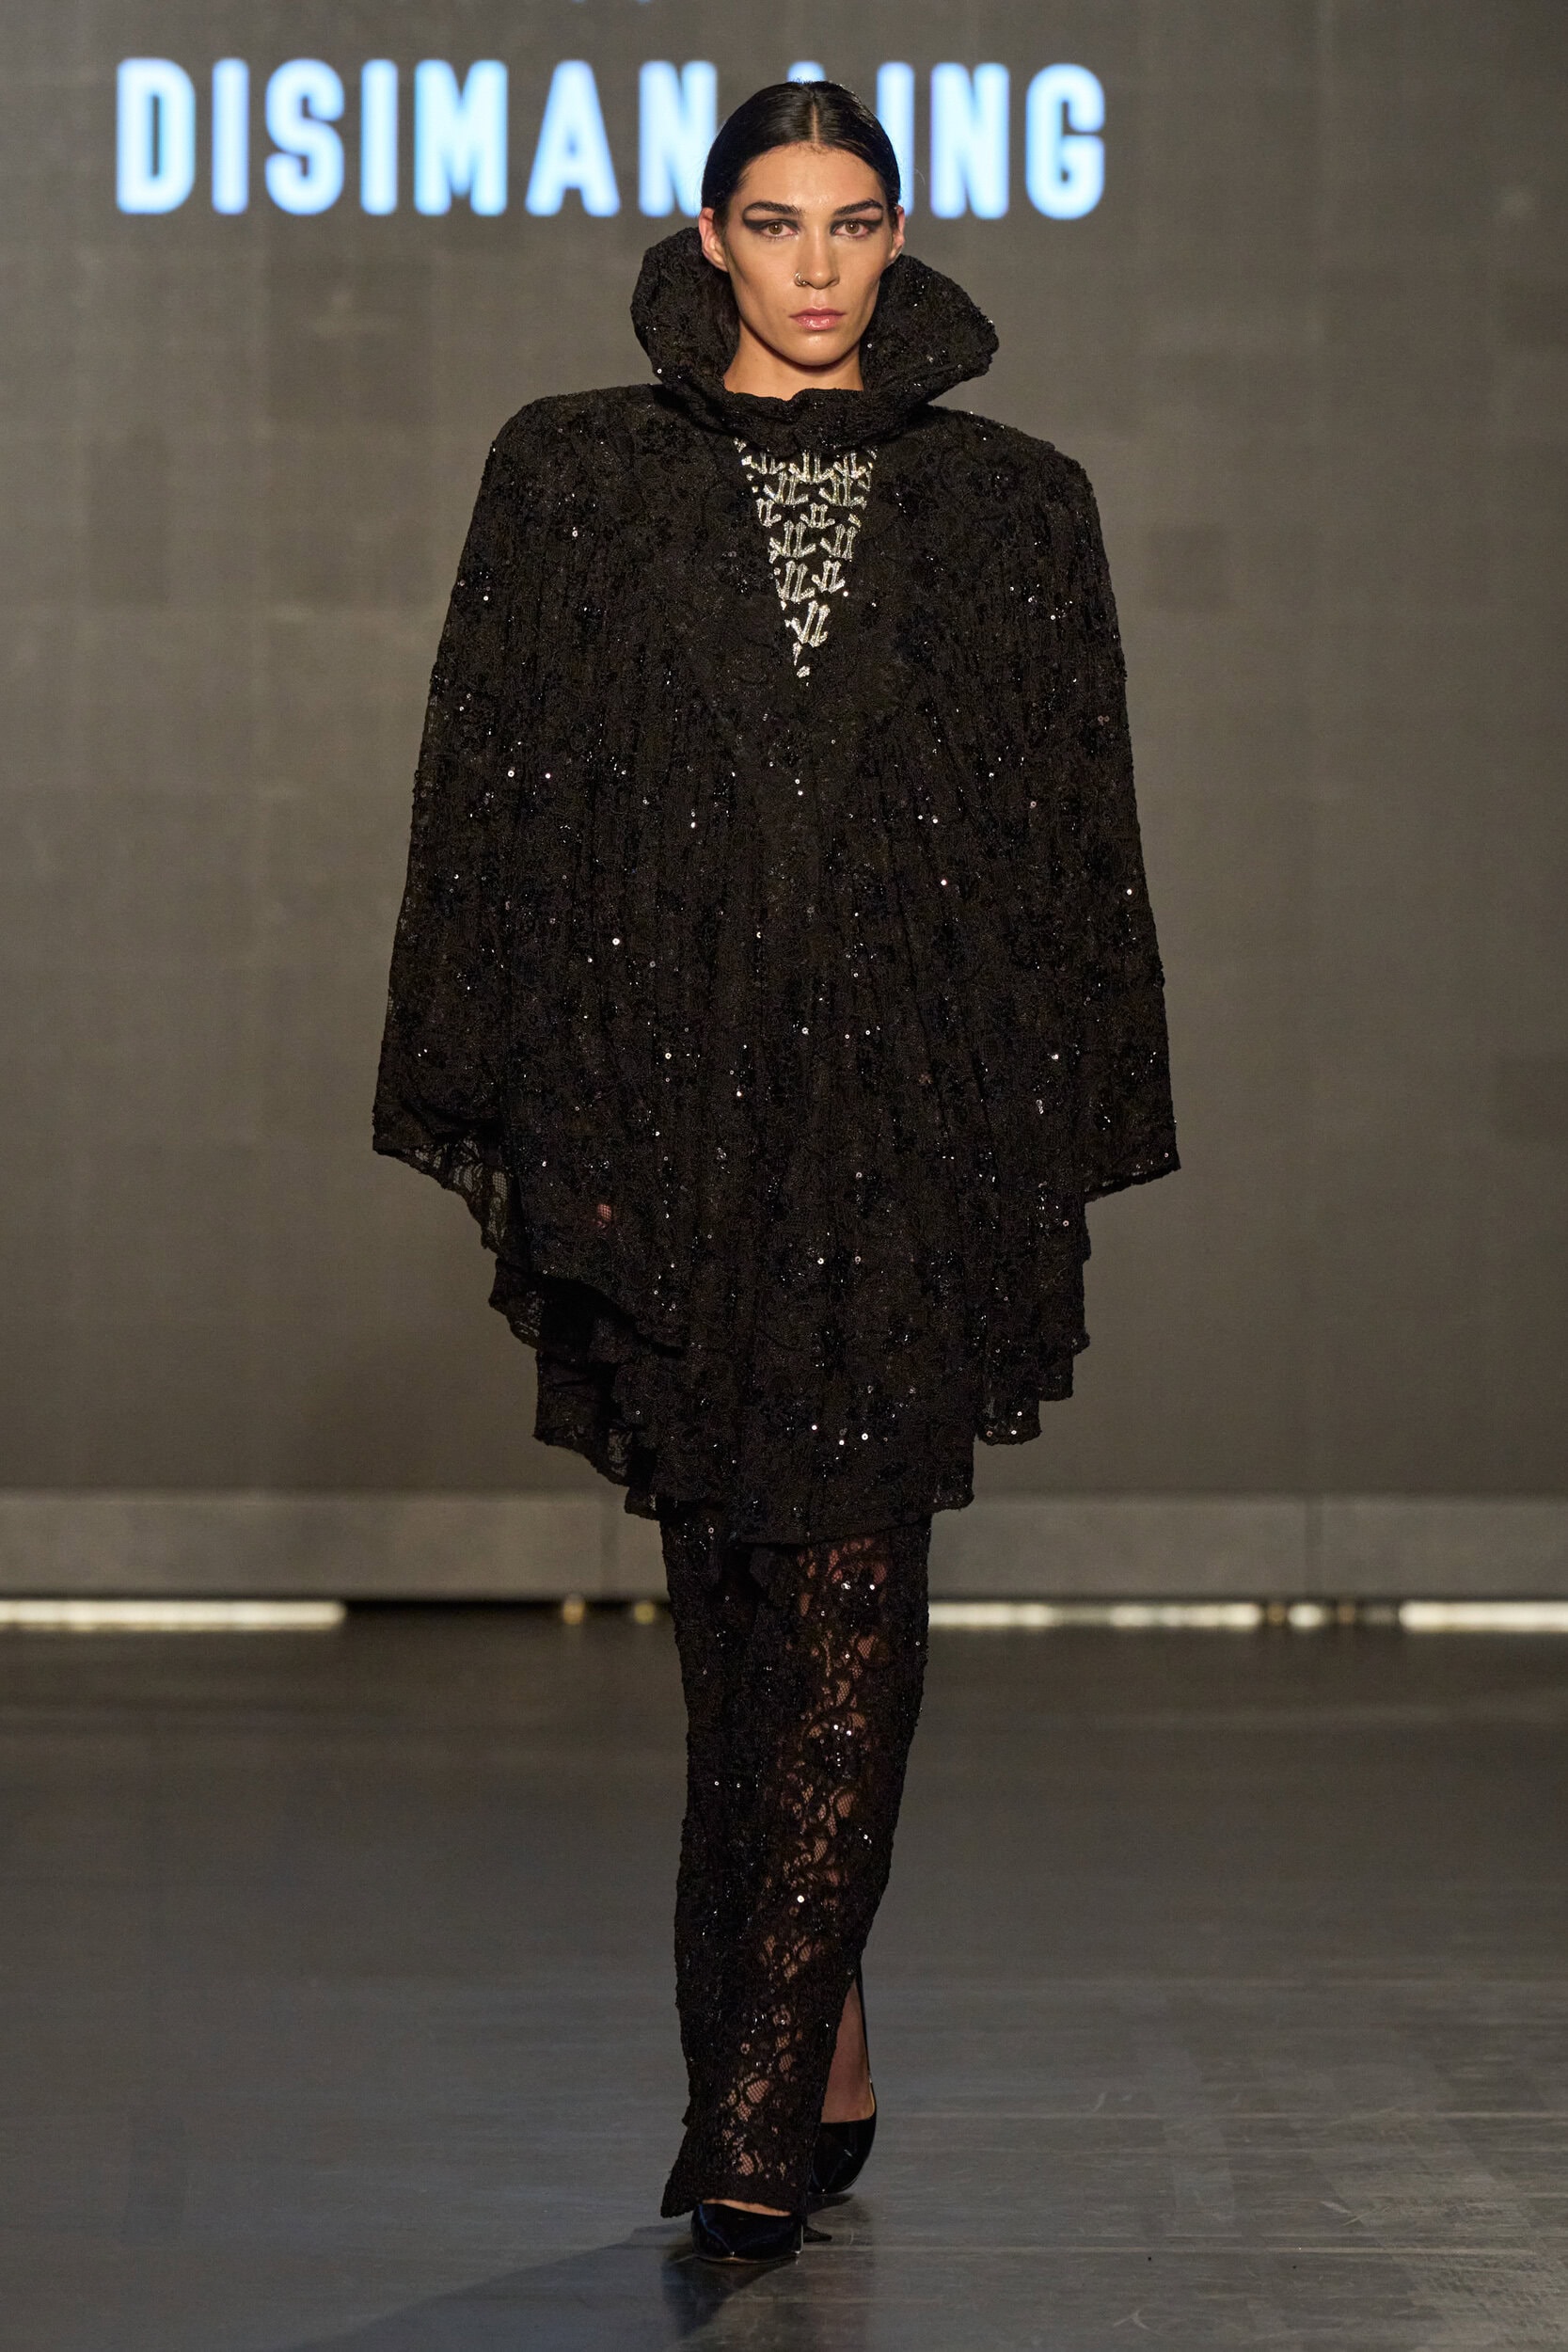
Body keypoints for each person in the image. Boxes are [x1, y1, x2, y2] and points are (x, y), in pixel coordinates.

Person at [374, 79, 1177, 2264]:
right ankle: (813, 2029)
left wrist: (1048, 1134)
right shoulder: (572, 474)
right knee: (732, 1614)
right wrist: (527, 1108)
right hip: (672, 1124)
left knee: (846, 1588)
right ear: (709, 235)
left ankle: (742, 2113)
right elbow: (496, 795)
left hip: (909, 1133)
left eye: (852, 222)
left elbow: (1069, 833)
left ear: (898, 239)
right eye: (775, 220)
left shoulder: (1016, 505)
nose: (816, 263)